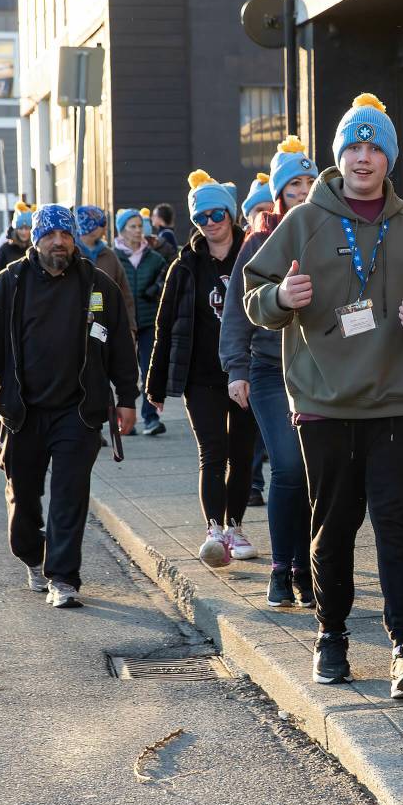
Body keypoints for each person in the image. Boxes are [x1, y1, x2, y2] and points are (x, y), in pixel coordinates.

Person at [243, 92, 403, 699]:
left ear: (390, 159)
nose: (363, 158)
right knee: (335, 522)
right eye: (353, 147)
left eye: (375, 148)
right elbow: (253, 298)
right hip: (324, 401)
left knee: (397, 522)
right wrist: (281, 300)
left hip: (400, 400)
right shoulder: (304, 221)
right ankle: (331, 635)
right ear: (340, 156)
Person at [0, 204, 138, 608]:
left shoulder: (97, 287)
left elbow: (121, 349)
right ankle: (32, 555)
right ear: (36, 239)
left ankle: (63, 578)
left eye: (65, 235)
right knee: (23, 497)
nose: (58, 242)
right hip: (22, 413)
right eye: (50, 235)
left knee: (68, 494)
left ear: (74, 239)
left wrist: (127, 399)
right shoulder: (9, 284)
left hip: (79, 412)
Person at [220, 136, 319, 609]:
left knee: (314, 473)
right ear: (279, 193)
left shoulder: (331, 231)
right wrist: (235, 368)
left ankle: (306, 567)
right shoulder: (260, 239)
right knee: (287, 465)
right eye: (294, 184)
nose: (303, 190)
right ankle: (282, 569)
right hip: (268, 369)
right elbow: (238, 311)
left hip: (321, 370)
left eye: (309, 181)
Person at [146, 170, 258, 567]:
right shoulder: (185, 266)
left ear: (230, 214)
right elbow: (164, 327)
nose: (211, 224)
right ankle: (214, 529)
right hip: (202, 377)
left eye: (217, 215)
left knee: (243, 455)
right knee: (213, 453)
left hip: (245, 371)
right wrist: (155, 386)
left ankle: (237, 526)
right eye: (201, 218)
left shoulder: (254, 253)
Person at [114, 207, 168, 436]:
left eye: (140, 226)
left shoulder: (154, 257)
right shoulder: (112, 257)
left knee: (148, 370)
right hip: (122, 324)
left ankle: (150, 418)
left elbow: (166, 279)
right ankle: (126, 419)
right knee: (125, 373)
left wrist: (155, 289)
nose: (138, 231)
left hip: (147, 322)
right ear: (122, 230)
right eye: (133, 226)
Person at [75, 206, 137, 333]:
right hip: (76, 329)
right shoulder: (71, 255)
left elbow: (125, 294)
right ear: (90, 226)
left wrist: (130, 328)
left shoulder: (109, 255)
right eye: (102, 224)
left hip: (108, 327)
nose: (105, 228)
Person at [0, 202, 33, 281]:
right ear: (15, 230)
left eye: (27, 228)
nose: (24, 232)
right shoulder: (5, 249)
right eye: (21, 228)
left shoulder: (35, 249)